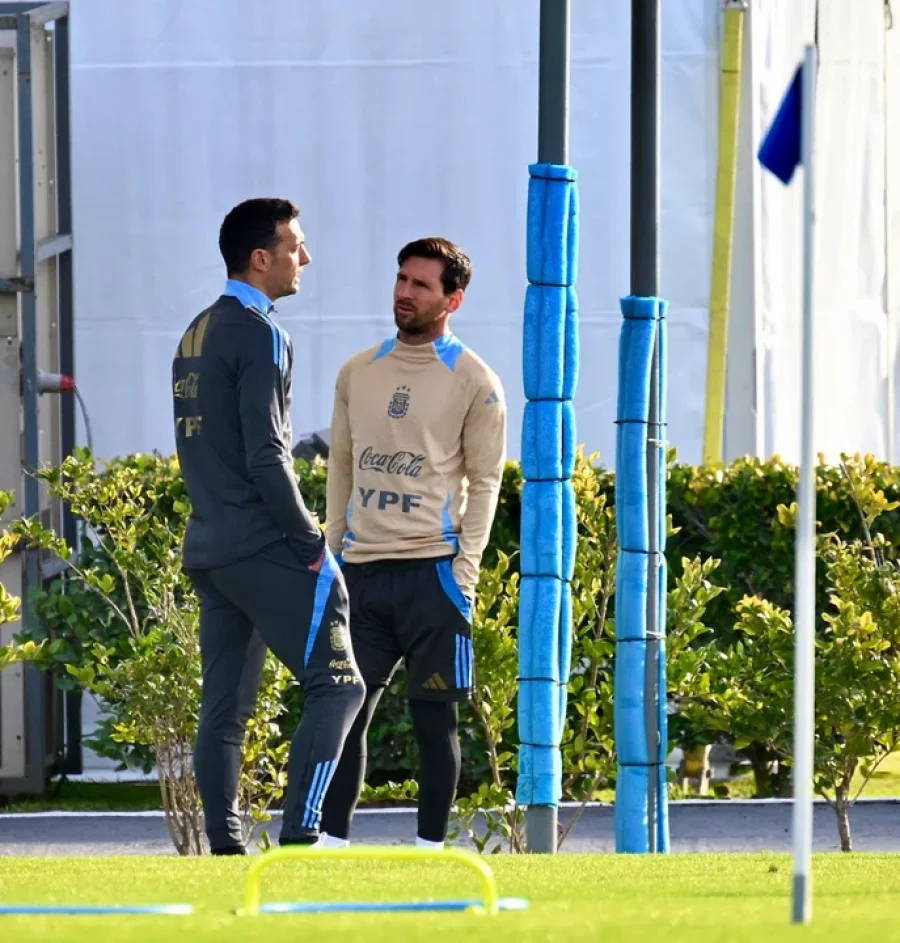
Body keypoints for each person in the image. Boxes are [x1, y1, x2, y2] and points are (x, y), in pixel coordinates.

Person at [171, 197, 365, 854]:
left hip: (210, 547)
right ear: (262, 258)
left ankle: (226, 851)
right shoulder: (262, 331)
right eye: (295, 246)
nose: (304, 258)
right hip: (257, 544)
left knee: (225, 707)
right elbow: (267, 457)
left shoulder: (196, 330)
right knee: (340, 684)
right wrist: (313, 542)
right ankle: (303, 835)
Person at [319, 237, 507, 849]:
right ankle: (331, 848)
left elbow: (485, 483)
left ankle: (430, 854)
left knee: (435, 722)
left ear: (452, 299)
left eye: (421, 284)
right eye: (401, 278)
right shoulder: (357, 371)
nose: (404, 292)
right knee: (344, 712)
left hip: (434, 576)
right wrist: (332, 553)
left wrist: (465, 573)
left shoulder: (476, 381)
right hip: (361, 575)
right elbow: (340, 468)